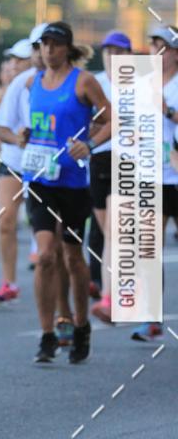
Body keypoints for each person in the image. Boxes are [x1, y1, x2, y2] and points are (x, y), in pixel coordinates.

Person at [21, 22, 111, 364]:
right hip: (40, 179)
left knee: (73, 258)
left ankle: (82, 325)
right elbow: (34, 127)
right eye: (43, 44)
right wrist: (26, 134)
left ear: (67, 48)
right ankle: (47, 334)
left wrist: (88, 143)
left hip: (73, 183)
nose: (48, 50)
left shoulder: (83, 81)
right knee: (45, 255)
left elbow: (111, 119)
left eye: (55, 44)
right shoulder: (33, 83)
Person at [131, 25, 178, 341]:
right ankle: (151, 318)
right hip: (153, 175)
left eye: (163, 47)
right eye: (153, 46)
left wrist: (168, 111)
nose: (156, 52)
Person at [0, 26, 45, 303]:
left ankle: (50, 279)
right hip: (14, 161)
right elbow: (0, 127)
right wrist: (16, 139)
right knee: (5, 221)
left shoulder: (66, 81)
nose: (15, 64)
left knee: (45, 227)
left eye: (21, 58)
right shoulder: (17, 84)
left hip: (46, 165)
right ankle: (9, 282)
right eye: (13, 59)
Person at [89, 32, 132, 324]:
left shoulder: (139, 85)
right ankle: (111, 294)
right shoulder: (95, 84)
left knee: (117, 232)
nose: (112, 56)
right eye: (107, 51)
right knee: (107, 232)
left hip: (129, 160)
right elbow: (87, 124)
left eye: (118, 51)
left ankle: (113, 296)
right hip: (99, 160)